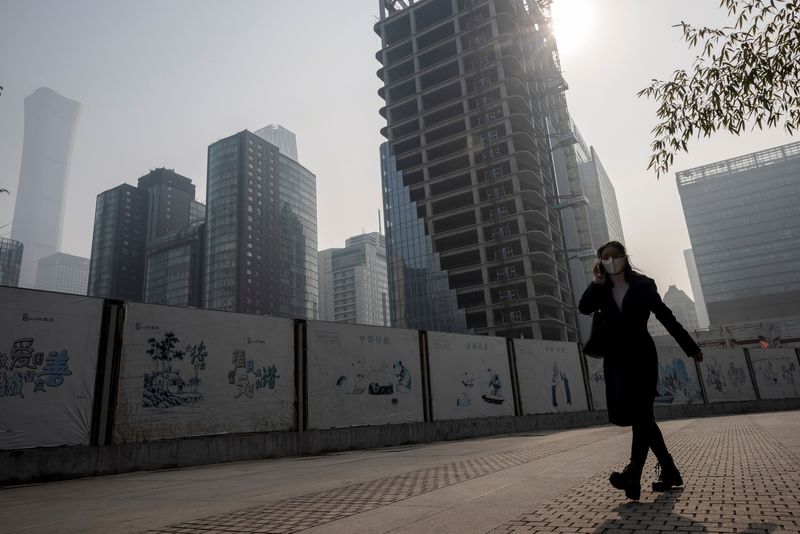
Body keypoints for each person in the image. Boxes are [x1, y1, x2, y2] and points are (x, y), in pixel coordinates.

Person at [579, 240, 703, 500]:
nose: (610, 261)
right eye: (604, 257)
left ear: (625, 256)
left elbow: (665, 316)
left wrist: (690, 347)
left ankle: (632, 474)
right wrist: (597, 282)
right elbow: (584, 307)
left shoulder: (643, 285)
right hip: (616, 360)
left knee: (642, 414)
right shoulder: (602, 289)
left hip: (642, 357)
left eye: (614, 256)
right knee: (641, 417)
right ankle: (669, 470)